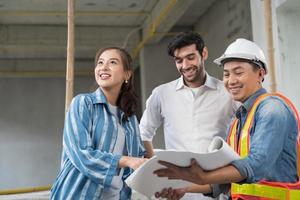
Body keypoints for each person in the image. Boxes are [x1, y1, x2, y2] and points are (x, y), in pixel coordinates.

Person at [153, 38, 300, 199]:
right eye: (226, 74)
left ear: (260, 73)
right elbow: (228, 181)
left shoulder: (272, 109)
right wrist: (184, 188)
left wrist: (204, 176)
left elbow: (257, 164)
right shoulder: (237, 121)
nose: (231, 81)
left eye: (238, 72)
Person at [139, 31, 237, 199]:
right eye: (179, 60)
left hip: (218, 191)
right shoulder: (162, 94)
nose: (185, 65)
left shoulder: (228, 92)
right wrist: (154, 167)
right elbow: (143, 133)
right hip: (176, 192)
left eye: (190, 57)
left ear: (204, 53)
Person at [50, 47, 147, 200]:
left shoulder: (130, 118)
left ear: (127, 74)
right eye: (100, 63)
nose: (103, 67)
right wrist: (126, 160)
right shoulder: (83, 103)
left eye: (112, 62)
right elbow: (82, 153)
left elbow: (139, 159)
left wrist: (159, 178)